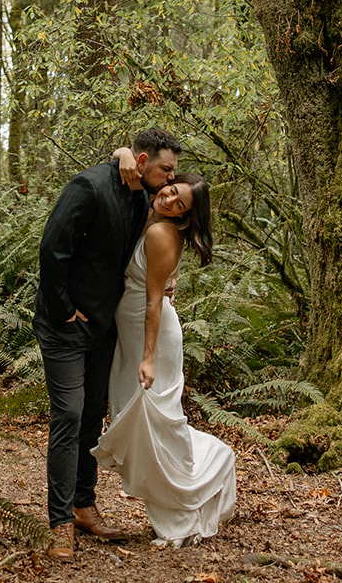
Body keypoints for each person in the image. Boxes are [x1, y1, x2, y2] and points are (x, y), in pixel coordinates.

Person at [32, 126, 183, 562]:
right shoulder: (88, 186)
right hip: (64, 326)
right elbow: (52, 249)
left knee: (92, 415)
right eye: (166, 169)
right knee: (70, 413)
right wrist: (63, 309)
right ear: (142, 161)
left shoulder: (142, 196)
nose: (171, 179)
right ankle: (59, 522)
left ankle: (83, 505)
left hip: (104, 327)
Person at [92, 169, 236, 547]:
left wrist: (148, 358)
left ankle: (184, 504)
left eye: (180, 203)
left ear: (185, 215)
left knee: (154, 424)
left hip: (149, 339)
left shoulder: (159, 232)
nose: (170, 199)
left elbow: (155, 302)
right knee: (144, 422)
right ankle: (200, 475)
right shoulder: (151, 220)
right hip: (133, 336)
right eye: (171, 190)